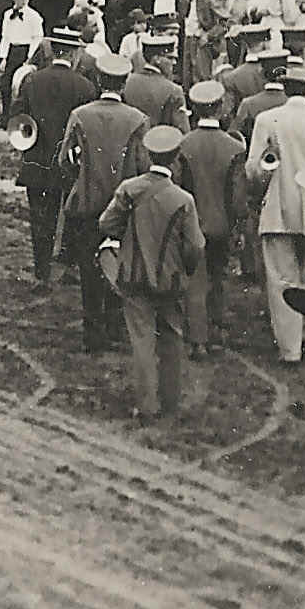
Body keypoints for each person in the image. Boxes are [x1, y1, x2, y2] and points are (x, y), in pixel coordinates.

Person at [101, 125, 204, 419]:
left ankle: (146, 406)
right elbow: (195, 246)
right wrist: (183, 268)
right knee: (172, 338)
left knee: (142, 340)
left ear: (147, 154)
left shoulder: (129, 189)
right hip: (170, 279)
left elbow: (106, 224)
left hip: (133, 276)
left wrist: (128, 237)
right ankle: (170, 403)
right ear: (175, 158)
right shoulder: (183, 199)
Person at [246, 64, 305, 366]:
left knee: (282, 279)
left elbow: (254, 172)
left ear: (284, 88)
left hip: (278, 208)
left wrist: (269, 168)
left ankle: (290, 349)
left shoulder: (267, 121)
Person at [60, 53, 151, 354]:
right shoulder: (138, 120)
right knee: (119, 266)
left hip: (87, 202)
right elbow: (143, 166)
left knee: (89, 269)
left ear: (99, 80)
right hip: (124, 207)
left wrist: (84, 176)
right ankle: (114, 326)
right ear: (124, 83)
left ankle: (92, 331)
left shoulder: (80, 115)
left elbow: (65, 161)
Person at [14, 37, 95, 290]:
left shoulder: (32, 81)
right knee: (72, 214)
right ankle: (69, 263)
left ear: (52, 52)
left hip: (37, 159)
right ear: (73, 55)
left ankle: (42, 271)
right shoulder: (85, 86)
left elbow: (17, 117)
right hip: (70, 162)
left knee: (41, 218)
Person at [175, 82, 247, 356]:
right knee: (218, 278)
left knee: (194, 279)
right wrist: (239, 226)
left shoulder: (183, 145)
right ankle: (216, 329)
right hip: (222, 224)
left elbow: (179, 187)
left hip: (191, 224)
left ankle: (197, 338)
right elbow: (239, 196)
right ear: (219, 109)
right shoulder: (234, 147)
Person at [0, 0, 45, 124]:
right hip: (12, 51)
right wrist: (3, 57)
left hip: (26, 51)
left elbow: (37, 38)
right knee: (5, 85)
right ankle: (5, 118)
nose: (22, 1)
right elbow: (5, 36)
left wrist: (30, 58)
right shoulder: (8, 14)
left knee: (23, 86)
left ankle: (20, 119)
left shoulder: (34, 17)